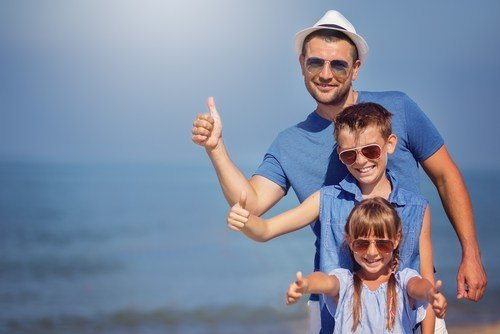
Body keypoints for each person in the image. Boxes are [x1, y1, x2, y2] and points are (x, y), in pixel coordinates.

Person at [191, 9, 486, 333]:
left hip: (410, 300)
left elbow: (446, 176)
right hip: (337, 299)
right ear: (302, 65)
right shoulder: (290, 143)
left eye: (338, 64)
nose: (326, 73)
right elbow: (251, 206)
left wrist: (470, 252)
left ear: (356, 68)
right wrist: (216, 147)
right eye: (315, 62)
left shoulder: (397, 109)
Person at [228, 103, 440, 333]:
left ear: (389, 144)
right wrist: (245, 220)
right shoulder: (327, 199)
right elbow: (266, 230)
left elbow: (425, 282)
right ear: (341, 155)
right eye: (350, 154)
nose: (360, 161)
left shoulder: (416, 207)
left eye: (370, 150)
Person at [286, 197, 447, 334]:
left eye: (382, 244)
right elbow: (325, 281)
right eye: (362, 244)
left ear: (396, 240)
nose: (371, 252)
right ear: (350, 242)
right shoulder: (345, 283)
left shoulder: (403, 282)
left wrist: (430, 294)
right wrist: (306, 285)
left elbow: (419, 286)